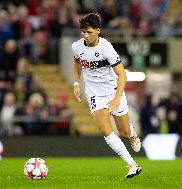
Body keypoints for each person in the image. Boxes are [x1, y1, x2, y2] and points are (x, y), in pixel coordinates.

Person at [72, 13, 141, 178]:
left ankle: (131, 133)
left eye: (89, 32)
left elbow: (122, 75)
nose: (85, 35)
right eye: (83, 32)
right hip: (94, 94)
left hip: (113, 91)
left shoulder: (106, 48)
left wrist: (117, 98)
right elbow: (76, 64)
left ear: (98, 31)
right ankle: (132, 165)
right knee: (104, 129)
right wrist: (76, 83)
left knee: (123, 132)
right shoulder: (77, 47)